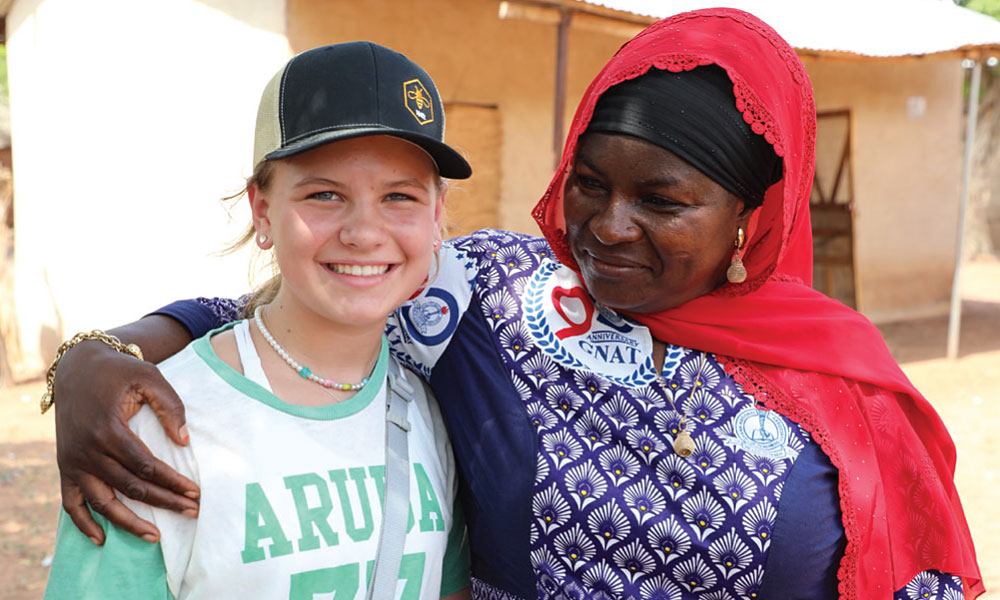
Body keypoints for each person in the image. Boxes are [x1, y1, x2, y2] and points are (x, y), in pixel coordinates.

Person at [48, 8, 983, 600]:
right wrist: (93, 357)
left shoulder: (842, 381)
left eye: (662, 201)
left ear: (749, 216)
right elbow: (318, 294)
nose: (608, 229)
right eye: (587, 183)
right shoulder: (495, 292)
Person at [43, 41, 471, 599]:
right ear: (262, 211)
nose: (365, 233)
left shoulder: (430, 411)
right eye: (324, 194)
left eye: (399, 197)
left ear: (437, 215)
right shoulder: (160, 429)